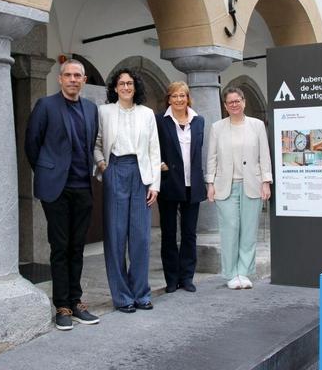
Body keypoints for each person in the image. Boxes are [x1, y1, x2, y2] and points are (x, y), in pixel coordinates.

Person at [25, 59, 100, 331]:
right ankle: (62, 306)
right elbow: (32, 144)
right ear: (60, 79)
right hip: (56, 189)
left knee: (77, 247)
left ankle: (77, 301)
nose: (72, 79)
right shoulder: (46, 106)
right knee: (60, 247)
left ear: (84, 79)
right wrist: (48, 172)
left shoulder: (91, 109)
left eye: (77, 75)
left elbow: (90, 145)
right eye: (67, 75)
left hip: (83, 187)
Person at [95, 68, 161, 312]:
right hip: (116, 169)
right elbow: (97, 143)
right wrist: (103, 166)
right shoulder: (104, 111)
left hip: (141, 174)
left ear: (135, 87)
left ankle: (141, 293)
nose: (125, 87)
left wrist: (155, 184)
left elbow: (154, 150)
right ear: (114, 87)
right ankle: (122, 297)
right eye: (121, 83)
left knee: (141, 238)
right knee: (115, 236)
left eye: (130, 83)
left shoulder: (147, 114)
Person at [205, 87, 272, 290]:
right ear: (225, 106)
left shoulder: (257, 125)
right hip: (225, 185)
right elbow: (212, 158)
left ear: (243, 102)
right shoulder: (217, 128)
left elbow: (264, 155)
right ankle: (231, 273)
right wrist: (210, 184)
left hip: (252, 183)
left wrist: (266, 182)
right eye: (230, 102)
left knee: (249, 230)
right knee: (230, 229)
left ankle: (244, 272)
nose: (234, 105)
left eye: (237, 101)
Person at [155, 81, 205, 293]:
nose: (178, 100)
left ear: (188, 98)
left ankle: (187, 277)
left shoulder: (198, 121)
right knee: (168, 234)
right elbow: (152, 145)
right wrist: (158, 164)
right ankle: (171, 279)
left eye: (182, 96)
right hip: (169, 183)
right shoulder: (160, 120)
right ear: (168, 99)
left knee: (189, 233)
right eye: (174, 96)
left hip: (191, 184)